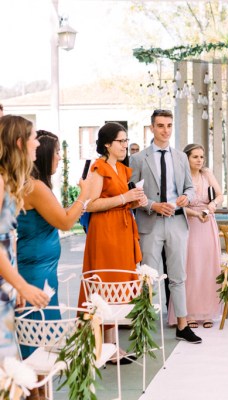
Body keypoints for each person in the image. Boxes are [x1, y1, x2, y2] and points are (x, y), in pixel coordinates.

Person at [129, 109, 201, 344]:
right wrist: (152, 206)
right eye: (160, 125)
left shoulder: (181, 157)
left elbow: (190, 188)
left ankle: (182, 324)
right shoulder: (139, 159)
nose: (165, 130)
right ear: (152, 128)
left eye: (169, 125)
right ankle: (144, 327)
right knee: (148, 277)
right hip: (150, 223)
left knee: (178, 276)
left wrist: (186, 199)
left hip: (177, 223)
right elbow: (134, 194)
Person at [16, 130, 90, 359]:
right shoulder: (35, 187)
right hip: (35, 273)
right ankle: (37, 392)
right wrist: (83, 194)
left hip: (43, 269)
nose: (59, 157)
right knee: (38, 342)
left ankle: (40, 390)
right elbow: (66, 222)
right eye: (57, 152)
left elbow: (59, 215)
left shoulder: (36, 185)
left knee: (44, 339)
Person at [78, 122, 147, 362]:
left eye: (127, 140)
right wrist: (123, 197)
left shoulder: (121, 168)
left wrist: (134, 201)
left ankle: (112, 346)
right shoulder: (99, 168)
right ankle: (103, 346)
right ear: (107, 144)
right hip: (105, 231)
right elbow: (90, 204)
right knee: (106, 283)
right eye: (121, 141)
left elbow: (122, 200)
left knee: (119, 284)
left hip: (122, 229)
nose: (125, 145)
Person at [0, 116, 50, 360]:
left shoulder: (9, 181)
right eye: (34, 139)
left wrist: (15, 282)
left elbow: (8, 237)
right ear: (20, 143)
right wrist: (21, 285)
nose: (38, 144)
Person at [167, 143, 223, 329]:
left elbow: (219, 195)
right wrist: (196, 214)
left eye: (202, 156)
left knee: (208, 267)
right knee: (190, 268)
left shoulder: (207, 174)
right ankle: (187, 313)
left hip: (208, 225)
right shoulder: (180, 177)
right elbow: (177, 204)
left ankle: (207, 312)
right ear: (186, 158)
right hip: (188, 224)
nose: (199, 160)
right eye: (195, 157)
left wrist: (212, 206)